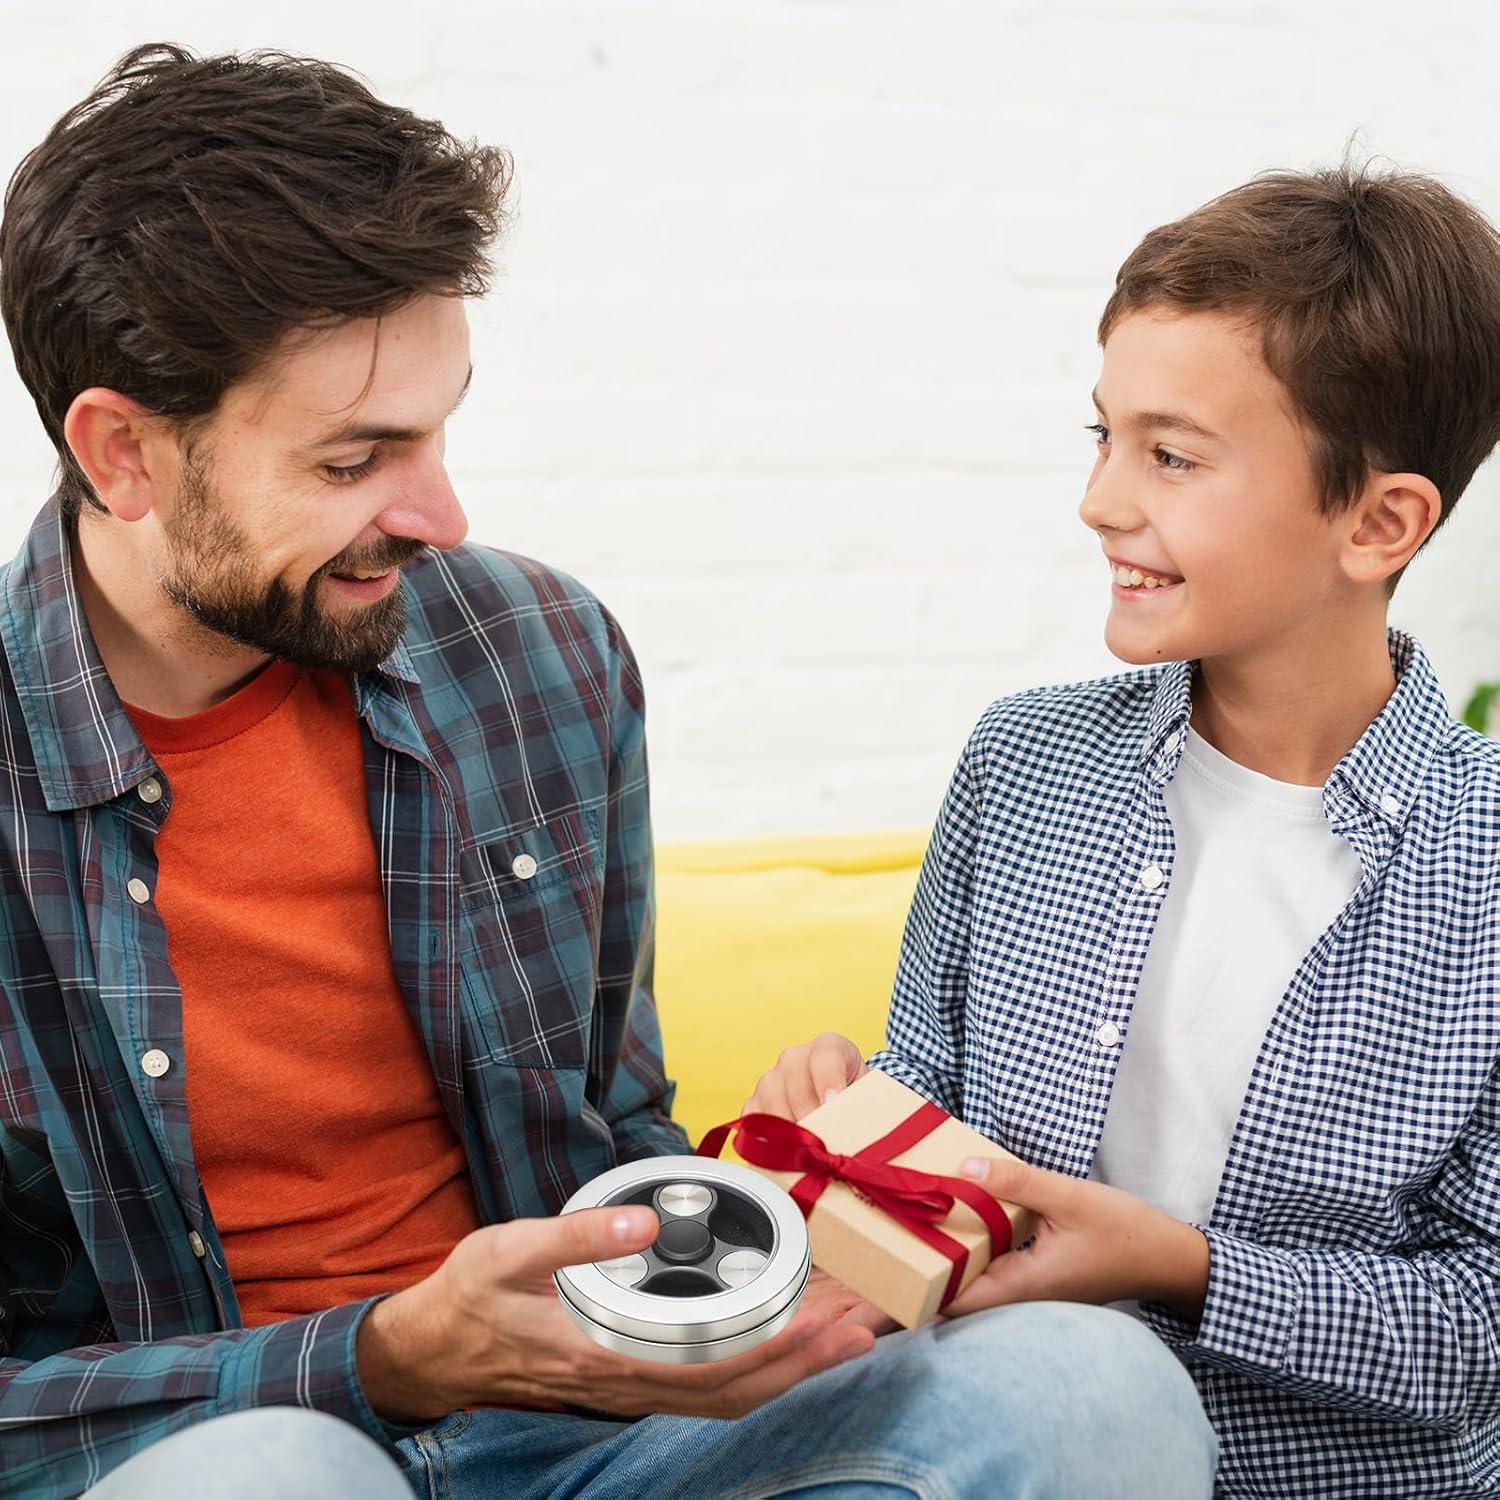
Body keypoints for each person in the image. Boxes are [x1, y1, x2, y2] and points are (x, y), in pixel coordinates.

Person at [0, 43, 1214, 1500]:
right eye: (352, 461)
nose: (440, 511)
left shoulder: (538, 655)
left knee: (1094, 1389)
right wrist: (384, 1355)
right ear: (123, 453)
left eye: (442, 426)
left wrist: (754, 1272)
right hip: (212, 1449)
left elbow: (615, 1130)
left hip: (593, 1438)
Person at [751, 158, 1500, 1497]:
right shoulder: (1025, 764)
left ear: (1379, 522)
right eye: (1101, 435)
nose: (1101, 501)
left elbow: (1480, 1332)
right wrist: (841, 1137)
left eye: (1172, 455)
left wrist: (1179, 1266)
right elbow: (938, 1142)